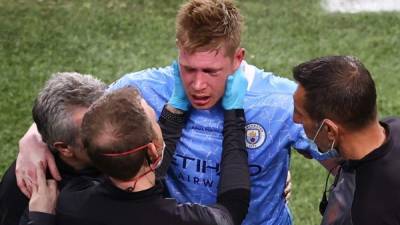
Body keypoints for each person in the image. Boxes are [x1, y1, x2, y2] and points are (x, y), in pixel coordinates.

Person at [15, 1, 336, 224]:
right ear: (178, 50)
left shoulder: (280, 99)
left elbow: (345, 158)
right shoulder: (142, 89)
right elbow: (74, 113)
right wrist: (32, 139)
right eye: (188, 68)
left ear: (237, 58)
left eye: (210, 71)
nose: (197, 84)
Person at [36, 73, 249, 225]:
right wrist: (234, 115)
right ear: (152, 151)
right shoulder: (184, 219)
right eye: (156, 122)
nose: (159, 123)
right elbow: (232, 209)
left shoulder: (69, 202)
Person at [292, 55, 400, 225]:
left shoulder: (360, 214)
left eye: (299, 113)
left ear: (329, 130)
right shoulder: (393, 125)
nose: (295, 120)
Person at [0, 72, 106, 225]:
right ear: (64, 148)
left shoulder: (125, 142)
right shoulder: (25, 187)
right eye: (95, 131)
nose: (114, 132)